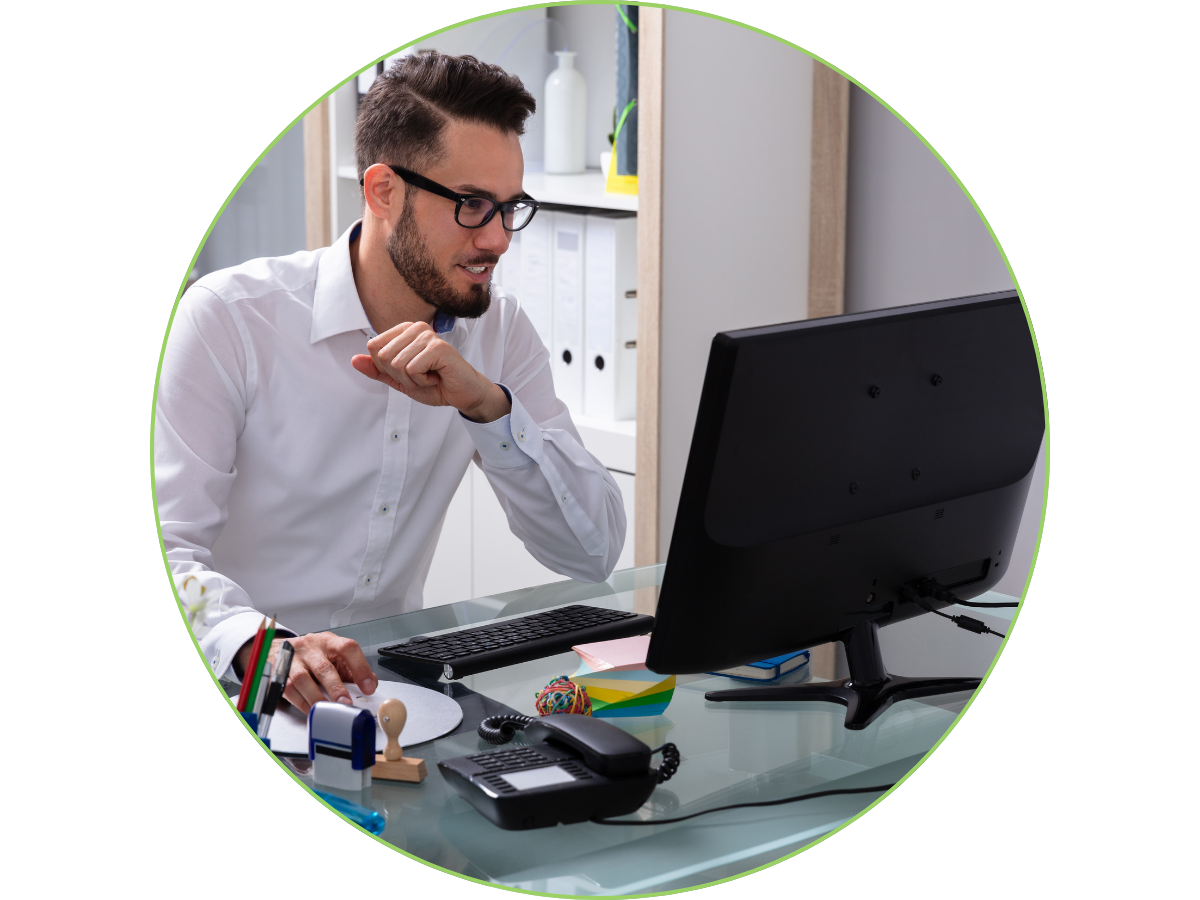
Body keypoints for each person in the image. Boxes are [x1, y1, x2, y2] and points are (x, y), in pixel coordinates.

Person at [156, 54, 626, 713]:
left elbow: (593, 551)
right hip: (242, 685)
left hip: (393, 703)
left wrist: (488, 409)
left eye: (509, 207)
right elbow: (170, 549)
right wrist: (264, 648)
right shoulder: (230, 321)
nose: (498, 240)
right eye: (470, 205)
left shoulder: (500, 332)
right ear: (383, 192)